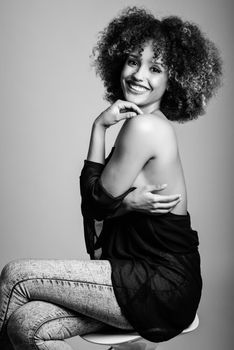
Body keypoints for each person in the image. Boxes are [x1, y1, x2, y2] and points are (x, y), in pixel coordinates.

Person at [0, 6, 222, 350]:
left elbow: (95, 203)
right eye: (133, 61)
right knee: (25, 324)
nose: (139, 74)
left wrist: (99, 126)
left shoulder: (145, 127)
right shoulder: (142, 125)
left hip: (159, 286)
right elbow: (102, 209)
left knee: (16, 277)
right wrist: (126, 203)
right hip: (138, 281)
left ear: (172, 81)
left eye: (155, 68)